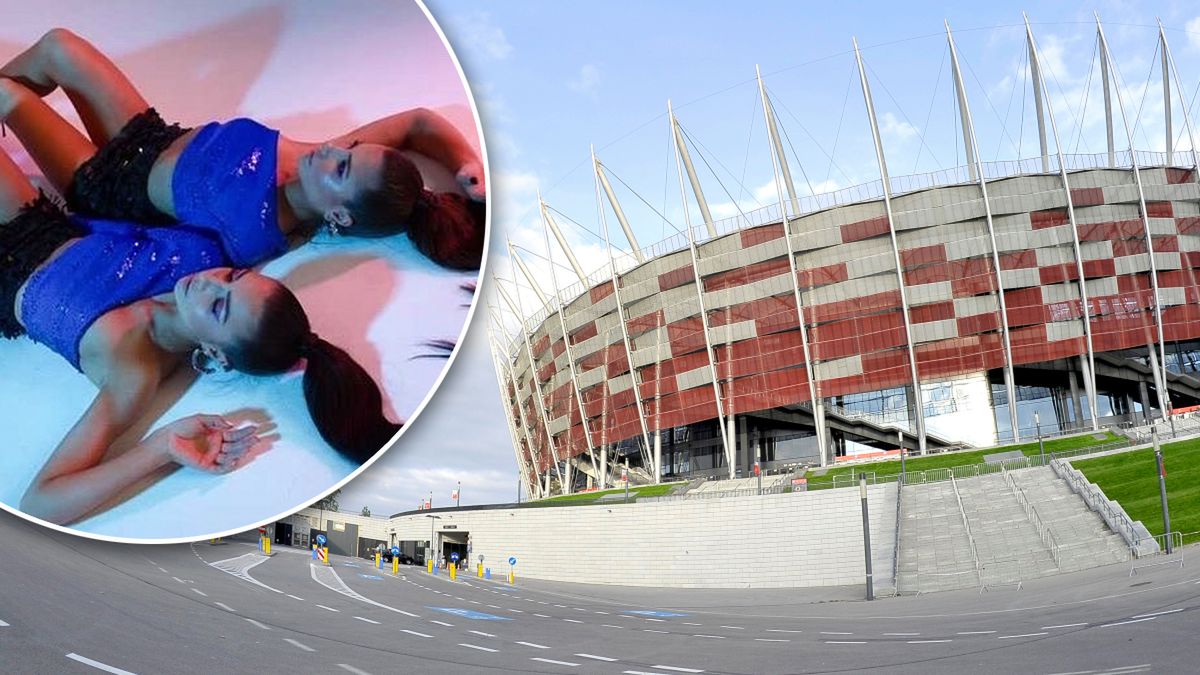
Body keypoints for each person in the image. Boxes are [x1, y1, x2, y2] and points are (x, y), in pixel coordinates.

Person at [0, 143, 399, 526]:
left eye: (218, 307)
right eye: (232, 278)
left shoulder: (135, 374)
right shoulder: (199, 256)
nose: (207, 284)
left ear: (216, 354)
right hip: (34, 222)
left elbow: (41, 502)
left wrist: (160, 448)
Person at [0, 28, 486, 270]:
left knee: (11, 97)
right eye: (351, 149)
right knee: (59, 46)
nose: (332, 153)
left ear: (338, 216)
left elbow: (165, 261)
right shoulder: (310, 158)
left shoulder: (257, 237)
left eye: (341, 169)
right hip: (148, 136)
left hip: (105, 186)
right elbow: (417, 122)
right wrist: (464, 161)